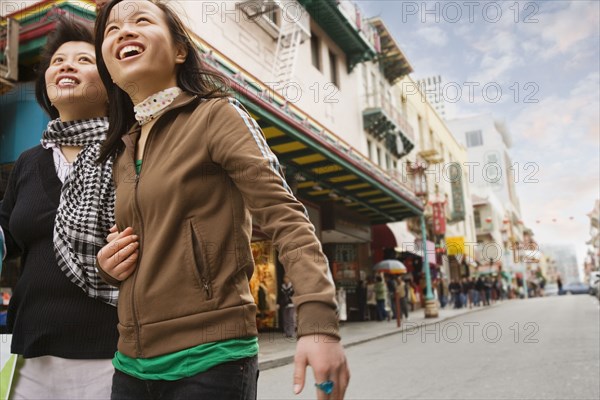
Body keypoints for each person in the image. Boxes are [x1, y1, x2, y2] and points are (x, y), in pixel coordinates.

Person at [93, 1, 349, 399]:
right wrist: (110, 265)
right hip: (130, 365)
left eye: (141, 20)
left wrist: (317, 321)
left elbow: (285, 216)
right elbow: (143, 249)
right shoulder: (123, 150)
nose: (124, 31)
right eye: (111, 29)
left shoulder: (217, 115)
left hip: (211, 358)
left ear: (180, 50)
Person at [0, 16, 119, 399]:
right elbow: (8, 239)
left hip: (113, 353)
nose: (66, 65)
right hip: (29, 352)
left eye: (84, 60)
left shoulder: (129, 153)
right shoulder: (28, 162)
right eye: (58, 61)